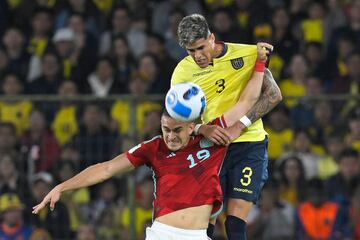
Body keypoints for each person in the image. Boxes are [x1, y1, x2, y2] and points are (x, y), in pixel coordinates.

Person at [32, 44, 270, 240]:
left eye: (177, 130)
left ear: (191, 127)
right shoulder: (154, 148)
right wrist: (62, 187)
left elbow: (247, 101)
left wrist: (259, 62)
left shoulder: (212, 137)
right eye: (165, 129)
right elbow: (106, 169)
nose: (170, 136)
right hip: (161, 234)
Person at [172, 14, 282, 240]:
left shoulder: (248, 54)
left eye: (201, 48)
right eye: (190, 51)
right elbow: (175, 118)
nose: (198, 56)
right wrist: (201, 128)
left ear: (212, 38)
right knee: (206, 219)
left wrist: (240, 125)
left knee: (235, 221)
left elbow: (273, 94)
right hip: (210, 147)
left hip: (249, 144)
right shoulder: (182, 72)